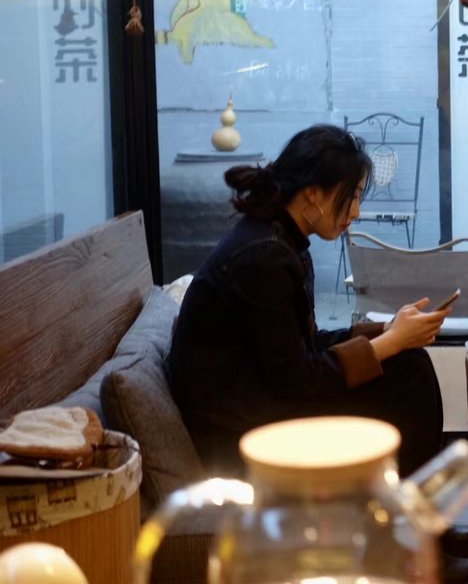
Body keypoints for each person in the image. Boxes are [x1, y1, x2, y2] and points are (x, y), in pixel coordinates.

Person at [167, 125, 449, 476]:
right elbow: (301, 379)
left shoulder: (277, 240)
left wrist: (385, 331)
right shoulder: (264, 256)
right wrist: (390, 342)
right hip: (237, 433)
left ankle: (414, 511)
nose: (357, 212)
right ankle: (415, 516)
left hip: (261, 403)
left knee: (409, 363)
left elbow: (299, 349)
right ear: (314, 193)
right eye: (352, 196)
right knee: (408, 373)